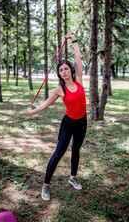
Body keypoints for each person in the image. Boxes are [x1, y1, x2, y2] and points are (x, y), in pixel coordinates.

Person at [28, 33, 87, 201]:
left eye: (66, 68)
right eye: (61, 70)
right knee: (58, 153)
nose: (64, 71)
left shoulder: (79, 79)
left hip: (82, 122)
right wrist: (33, 111)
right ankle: (45, 185)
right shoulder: (59, 90)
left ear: (71, 70)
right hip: (68, 123)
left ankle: (72, 177)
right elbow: (45, 104)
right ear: (59, 74)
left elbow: (77, 56)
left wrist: (74, 39)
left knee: (76, 149)